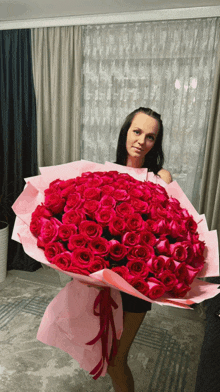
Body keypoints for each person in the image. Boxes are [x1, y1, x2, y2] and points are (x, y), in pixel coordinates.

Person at [106, 107, 172, 392]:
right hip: (102, 281)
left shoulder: (161, 178)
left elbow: (166, 233)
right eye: (137, 131)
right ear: (126, 131)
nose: (141, 141)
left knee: (116, 360)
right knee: (104, 353)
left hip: (137, 284)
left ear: (155, 144)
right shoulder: (103, 173)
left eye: (150, 137)